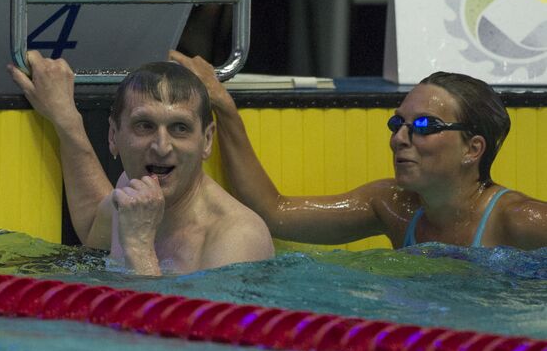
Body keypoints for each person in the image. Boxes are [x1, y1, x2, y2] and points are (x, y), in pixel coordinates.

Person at [170, 50, 547, 250]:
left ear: (473, 148)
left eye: (423, 126)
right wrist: (225, 108)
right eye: (397, 123)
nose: (399, 138)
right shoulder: (394, 207)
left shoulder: (519, 221)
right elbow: (275, 213)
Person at [7, 51, 274, 276]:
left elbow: (169, 337)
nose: (161, 146)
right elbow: (93, 228)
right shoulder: (132, 189)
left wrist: (138, 247)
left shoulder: (237, 238)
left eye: (179, 128)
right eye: (144, 126)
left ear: (206, 140)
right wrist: (66, 120)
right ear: (113, 135)